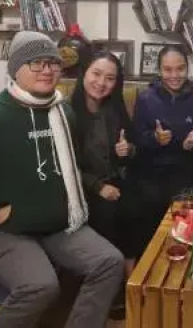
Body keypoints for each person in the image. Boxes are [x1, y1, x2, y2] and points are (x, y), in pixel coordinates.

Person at [0, 31, 123, 328]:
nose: (46, 70)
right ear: (16, 68)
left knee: (110, 262)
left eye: (52, 63)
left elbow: (70, 168)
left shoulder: (63, 112)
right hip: (1, 230)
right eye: (36, 63)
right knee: (40, 286)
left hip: (56, 226)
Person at [70, 51, 145, 277]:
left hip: (115, 179)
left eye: (110, 78)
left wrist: (128, 149)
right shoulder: (67, 111)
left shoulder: (114, 109)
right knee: (107, 212)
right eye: (96, 74)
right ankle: (108, 276)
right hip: (80, 186)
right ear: (84, 73)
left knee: (137, 204)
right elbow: (64, 165)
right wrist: (98, 187)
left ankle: (130, 274)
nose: (101, 83)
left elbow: (133, 148)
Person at [131, 45, 193, 229]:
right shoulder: (145, 98)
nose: (174, 75)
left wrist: (190, 145)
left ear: (187, 68)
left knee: (183, 207)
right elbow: (136, 139)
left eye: (180, 69)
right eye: (167, 69)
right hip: (150, 169)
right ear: (159, 70)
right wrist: (155, 138)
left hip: (183, 168)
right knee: (147, 202)